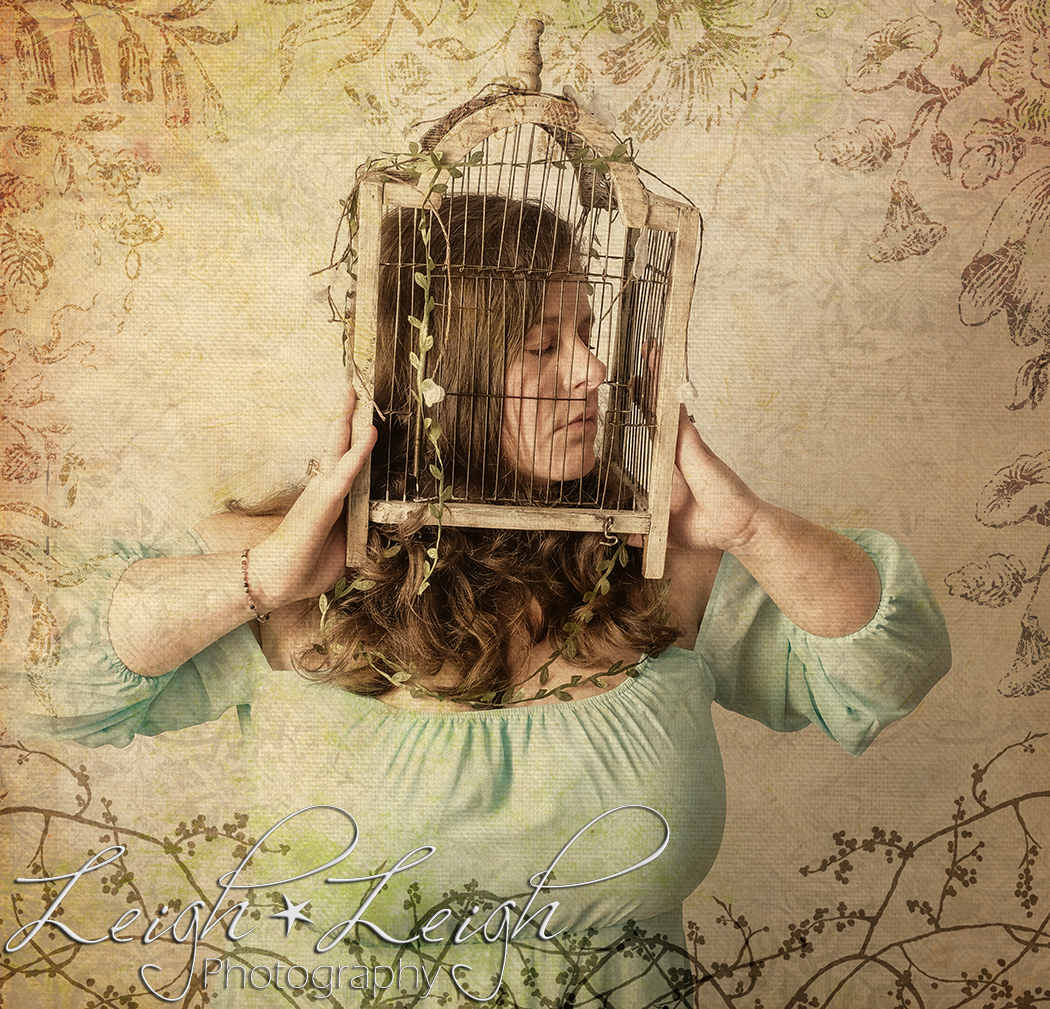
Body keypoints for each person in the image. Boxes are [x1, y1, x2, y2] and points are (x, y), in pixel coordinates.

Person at [27, 194, 950, 1005]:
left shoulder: (663, 564)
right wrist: (264, 580)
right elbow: (55, 679)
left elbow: (887, 663)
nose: (592, 371)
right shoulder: (295, 568)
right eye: (544, 345)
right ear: (440, 384)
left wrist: (749, 526)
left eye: (588, 334)